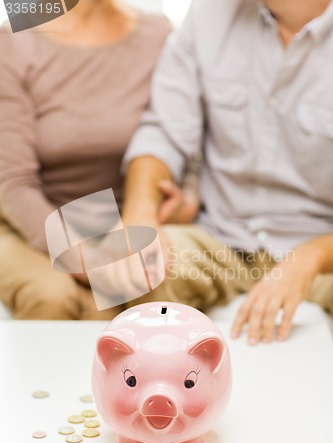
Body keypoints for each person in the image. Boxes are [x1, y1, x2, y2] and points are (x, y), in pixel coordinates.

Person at [121, 0, 333, 344]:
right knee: (131, 269)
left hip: (320, 253)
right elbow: (163, 131)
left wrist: (311, 258)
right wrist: (140, 213)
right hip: (220, 240)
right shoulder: (208, 13)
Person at [0, 0, 180, 319]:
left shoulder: (158, 34)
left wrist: (184, 198)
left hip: (121, 223)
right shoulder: (12, 42)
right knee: (52, 297)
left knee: (126, 297)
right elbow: (12, 183)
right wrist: (84, 255)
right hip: (27, 225)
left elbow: (181, 131)